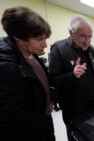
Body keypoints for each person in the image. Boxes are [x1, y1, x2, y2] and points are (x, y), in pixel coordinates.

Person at [0, 6, 55, 141]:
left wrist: (51, 99)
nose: (45, 45)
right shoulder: (5, 66)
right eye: (39, 39)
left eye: (45, 38)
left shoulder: (31, 53)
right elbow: (11, 117)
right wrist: (44, 120)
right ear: (18, 36)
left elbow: (42, 82)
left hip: (42, 125)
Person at [48, 14, 94, 140]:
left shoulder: (91, 49)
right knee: (75, 136)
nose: (87, 41)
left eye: (90, 37)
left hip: (90, 105)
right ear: (71, 33)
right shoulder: (58, 49)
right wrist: (73, 75)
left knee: (90, 134)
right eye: (83, 36)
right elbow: (52, 81)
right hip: (72, 108)